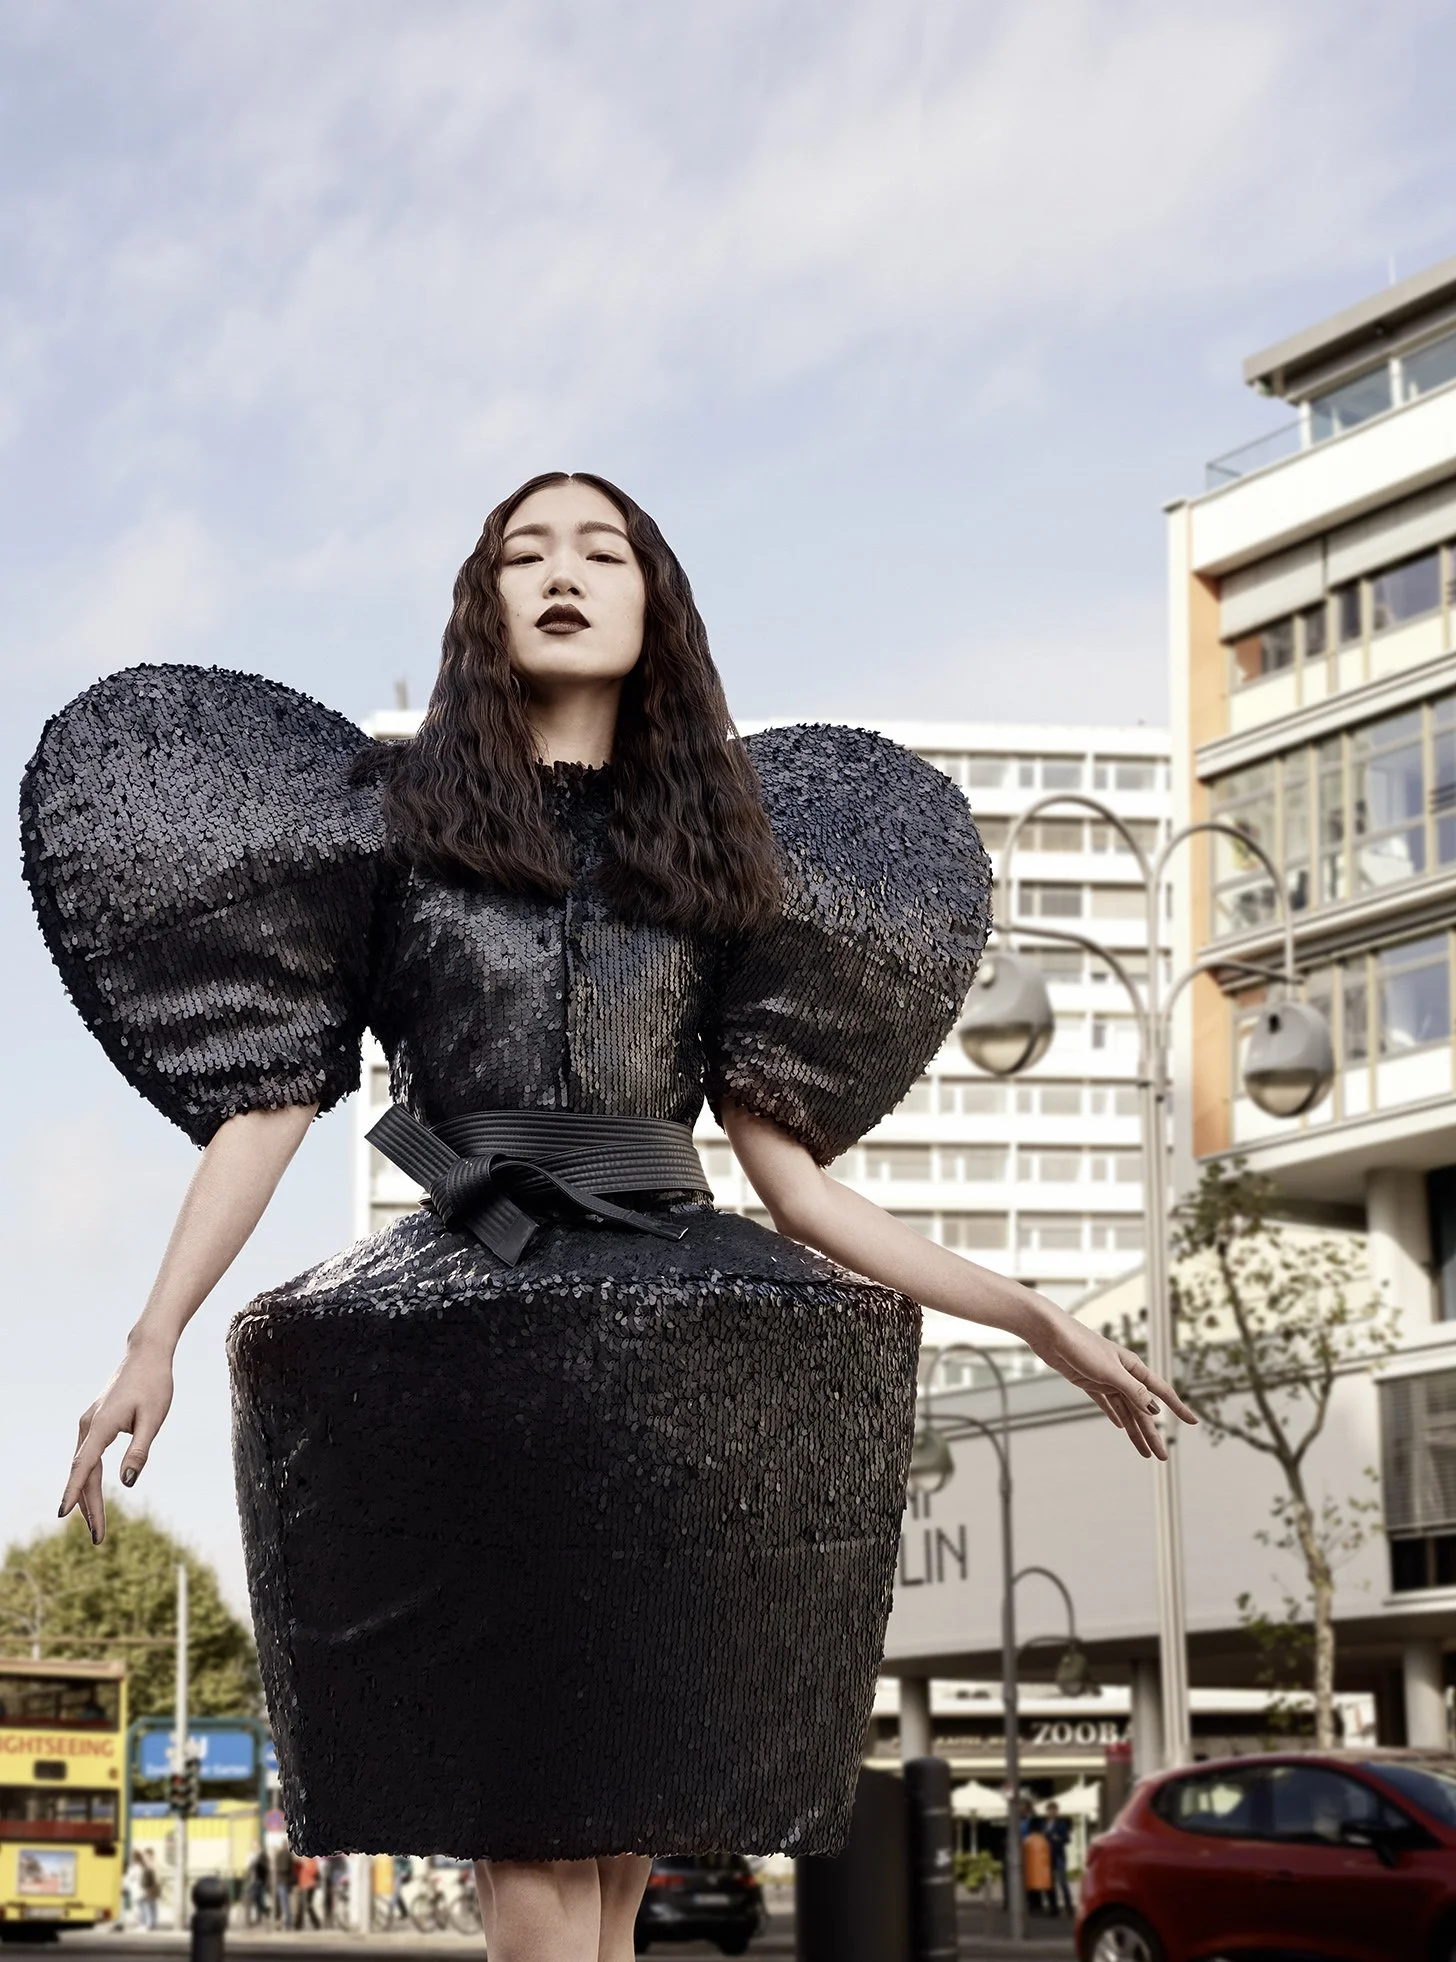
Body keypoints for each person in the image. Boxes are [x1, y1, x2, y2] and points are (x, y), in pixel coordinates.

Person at [28, 471, 1194, 1962]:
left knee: (622, 1814)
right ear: (484, 607)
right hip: (474, 1342)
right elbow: (270, 1102)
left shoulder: (712, 865)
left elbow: (799, 1184)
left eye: (601, 550)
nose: (563, 572)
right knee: (529, 1800)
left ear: (657, 608)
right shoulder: (389, 834)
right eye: (526, 553)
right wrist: (153, 1335)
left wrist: (1032, 1315)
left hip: (665, 1367)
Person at [1042, 1800, 1075, 1916]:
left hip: (1059, 1855)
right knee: (1049, 1883)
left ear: (1057, 1811)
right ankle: (1053, 1907)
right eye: (1050, 1811)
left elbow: (1067, 1839)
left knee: (1062, 1881)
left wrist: (1059, 1839)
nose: (1051, 1813)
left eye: (1053, 1811)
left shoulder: (1061, 1824)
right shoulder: (1045, 1824)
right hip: (1047, 1857)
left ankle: (1069, 1907)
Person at [133, 1848, 160, 1931]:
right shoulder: (147, 1864)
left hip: (150, 1887)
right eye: (144, 1855)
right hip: (149, 1887)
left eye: (146, 1855)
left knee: (148, 1906)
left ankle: (148, 1924)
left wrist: (151, 1886)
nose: (145, 1857)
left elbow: (154, 1877)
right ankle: (150, 1923)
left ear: (150, 1855)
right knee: (149, 1905)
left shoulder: (151, 1864)